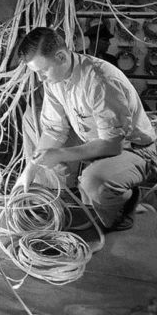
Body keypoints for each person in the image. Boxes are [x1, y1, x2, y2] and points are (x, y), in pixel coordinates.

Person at [17, 27, 156, 231]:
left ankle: (125, 208)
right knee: (33, 120)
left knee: (94, 182)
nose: (40, 78)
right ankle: (96, 190)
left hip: (135, 149)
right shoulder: (55, 78)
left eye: (42, 71)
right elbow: (54, 129)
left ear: (61, 56)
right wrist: (30, 169)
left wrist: (60, 154)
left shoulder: (100, 81)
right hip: (99, 143)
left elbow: (112, 145)